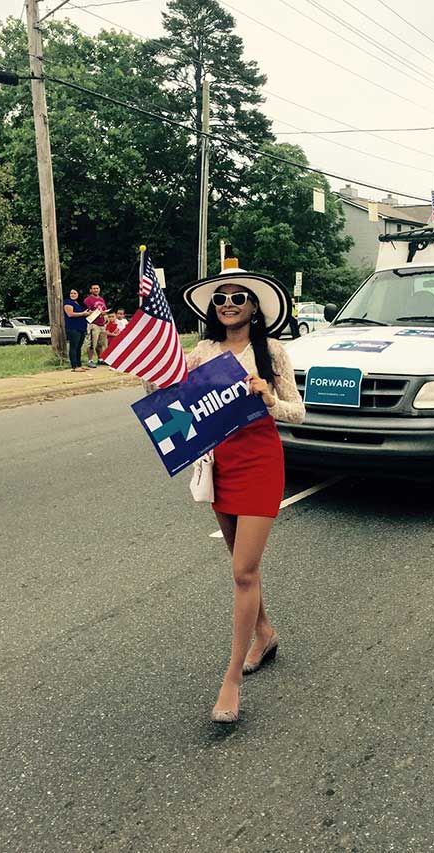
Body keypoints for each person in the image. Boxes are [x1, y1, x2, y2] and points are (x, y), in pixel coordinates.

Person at [182, 264, 305, 724]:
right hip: (221, 463)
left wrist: (270, 399)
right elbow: (173, 395)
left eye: (238, 298)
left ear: (254, 306)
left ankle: (231, 680)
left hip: (260, 461)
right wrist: (148, 369)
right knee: (243, 569)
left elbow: (299, 412)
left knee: (242, 570)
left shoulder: (272, 351)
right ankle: (265, 633)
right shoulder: (203, 351)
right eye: (221, 299)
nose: (228, 305)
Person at [63, 288, 90, 371]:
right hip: (73, 328)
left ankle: (79, 365)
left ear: (78, 294)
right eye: (71, 293)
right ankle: (74, 366)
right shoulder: (68, 302)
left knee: (79, 347)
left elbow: (85, 313)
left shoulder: (80, 303)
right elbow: (70, 314)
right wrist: (83, 313)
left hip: (82, 327)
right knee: (74, 346)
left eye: (75, 293)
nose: (73, 295)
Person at [83, 283, 108, 367]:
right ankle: (90, 360)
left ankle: (100, 359)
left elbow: (104, 309)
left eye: (97, 288)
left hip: (102, 323)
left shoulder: (101, 299)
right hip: (93, 323)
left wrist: (105, 315)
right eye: (94, 288)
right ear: (91, 290)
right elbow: (87, 311)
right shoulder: (88, 300)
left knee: (101, 343)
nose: (96, 290)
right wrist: (98, 312)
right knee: (92, 343)